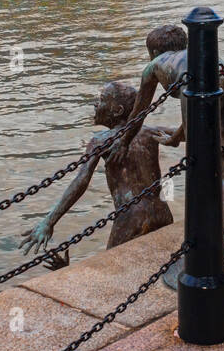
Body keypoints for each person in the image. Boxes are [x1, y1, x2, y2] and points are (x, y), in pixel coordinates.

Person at [114, 24, 224, 276]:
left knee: (213, 172)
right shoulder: (196, 55)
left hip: (200, 90)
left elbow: (139, 113)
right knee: (223, 152)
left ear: (153, 50)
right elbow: (190, 120)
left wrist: (123, 142)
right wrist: (176, 137)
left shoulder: (156, 65)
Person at [19, 81, 177, 267]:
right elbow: (186, 132)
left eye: (102, 100)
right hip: (161, 211)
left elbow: (81, 181)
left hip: (131, 217)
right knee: (160, 265)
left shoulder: (100, 140)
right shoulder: (149, 131)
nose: (95, 104)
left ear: (117, 111)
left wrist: (49, 221)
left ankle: (67, 273)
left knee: (111, 270)